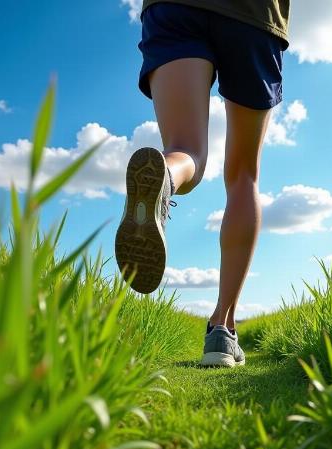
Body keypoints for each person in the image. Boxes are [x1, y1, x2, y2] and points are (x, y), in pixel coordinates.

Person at [115, 0, 290, 367]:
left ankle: (166, 173)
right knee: (243, 176)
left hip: (175, 6)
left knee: (185, 150)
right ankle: (223, 329)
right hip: (255, 15)